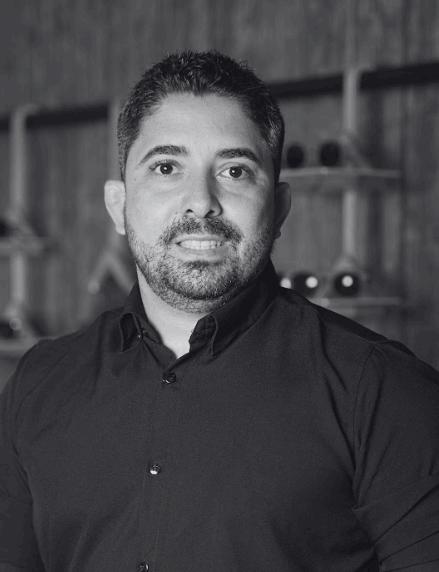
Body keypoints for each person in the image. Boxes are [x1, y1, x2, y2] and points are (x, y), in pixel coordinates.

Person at [1, 51, 439, 572]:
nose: (201, 201)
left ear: (279, 208)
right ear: (118, 206)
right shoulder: (38, 384)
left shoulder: (384, 390)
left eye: (234, 170)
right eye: (167, 167)